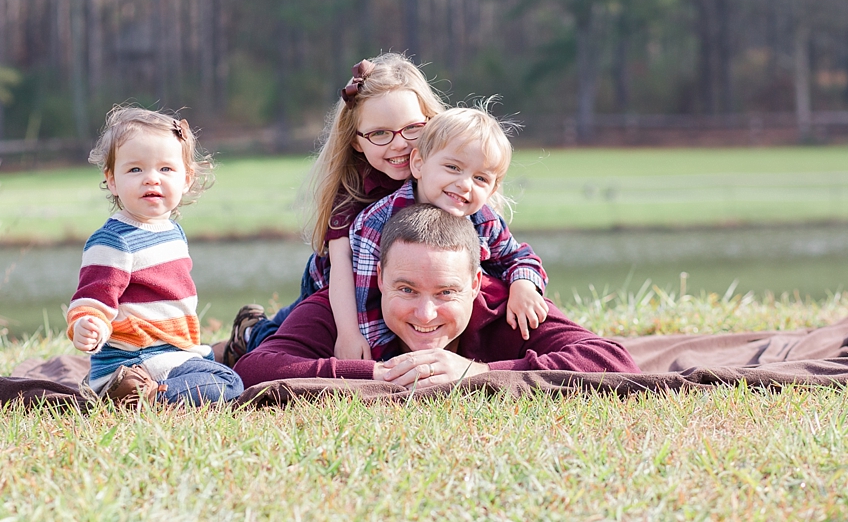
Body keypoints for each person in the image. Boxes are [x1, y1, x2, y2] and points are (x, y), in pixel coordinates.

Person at [232, 205, 639, 387]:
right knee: (253, 340)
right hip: (285, 324)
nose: (425, 313)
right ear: (377, 278)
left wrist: (478, 372)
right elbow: (255, 369)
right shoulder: (343, 308)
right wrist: (378, 373)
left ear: (477, 284)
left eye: (446, 292)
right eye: (406, 289)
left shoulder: (505, 305)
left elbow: (612, 361)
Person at [223, 52, 447, 366]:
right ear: (356, 142)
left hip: (390, 285)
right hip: (335, 287)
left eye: (413, 128)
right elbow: (341, 267)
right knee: (292, 331)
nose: (399, 144)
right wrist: (348, 332)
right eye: (380, 133)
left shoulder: (442, 174)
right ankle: (248, 334)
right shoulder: (354, 189)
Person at [66, 106, 243, 407]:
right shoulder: (114, 241)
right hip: (133, 360)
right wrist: (87, 324)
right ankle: (144, 396)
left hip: (166, 352)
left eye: (165, 169)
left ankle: (161, 385)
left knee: (219, 366)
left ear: (186, 179)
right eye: (135, 169)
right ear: (112, 181)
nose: (151, 179)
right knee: (229, 383)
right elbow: (92, 298)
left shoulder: (171, 231)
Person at [350, 103, 550, 356]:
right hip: (330, 288)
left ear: (492, 189)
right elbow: (367, 304)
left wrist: (524, 284)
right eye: (453, 168)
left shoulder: (484, 220)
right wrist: (390, 365)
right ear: (419, 164)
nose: (465, 184)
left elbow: (518, 257)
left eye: (480, 178)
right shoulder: (376, 223)